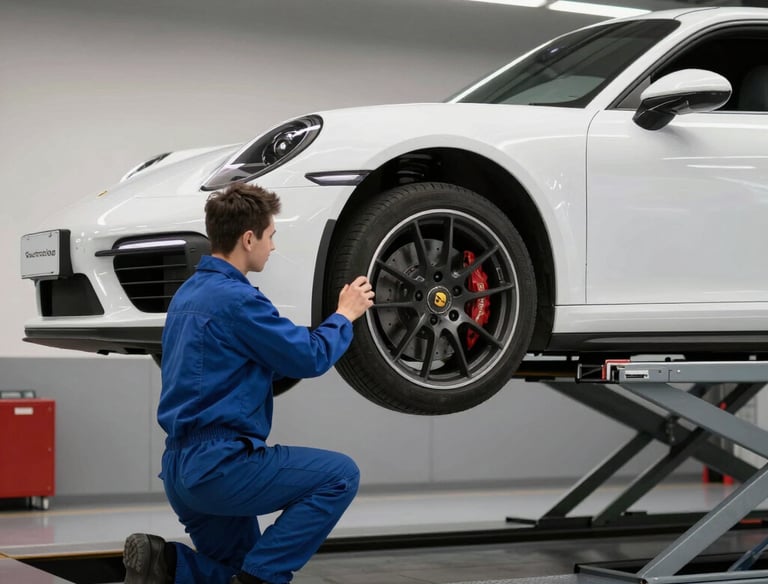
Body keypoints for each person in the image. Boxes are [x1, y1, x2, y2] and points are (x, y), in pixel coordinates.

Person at [122, 182, 375, 584]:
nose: (272, 247)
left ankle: (169, 566)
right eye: (271, 236)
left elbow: (233, 368)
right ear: (248, 238)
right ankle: (260, 579)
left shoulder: (187, 296)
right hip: (220, 466)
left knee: (232, 570)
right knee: (340, 474)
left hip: (178, 470)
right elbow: (309, 357)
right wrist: (344, 315)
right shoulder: (237, 300)